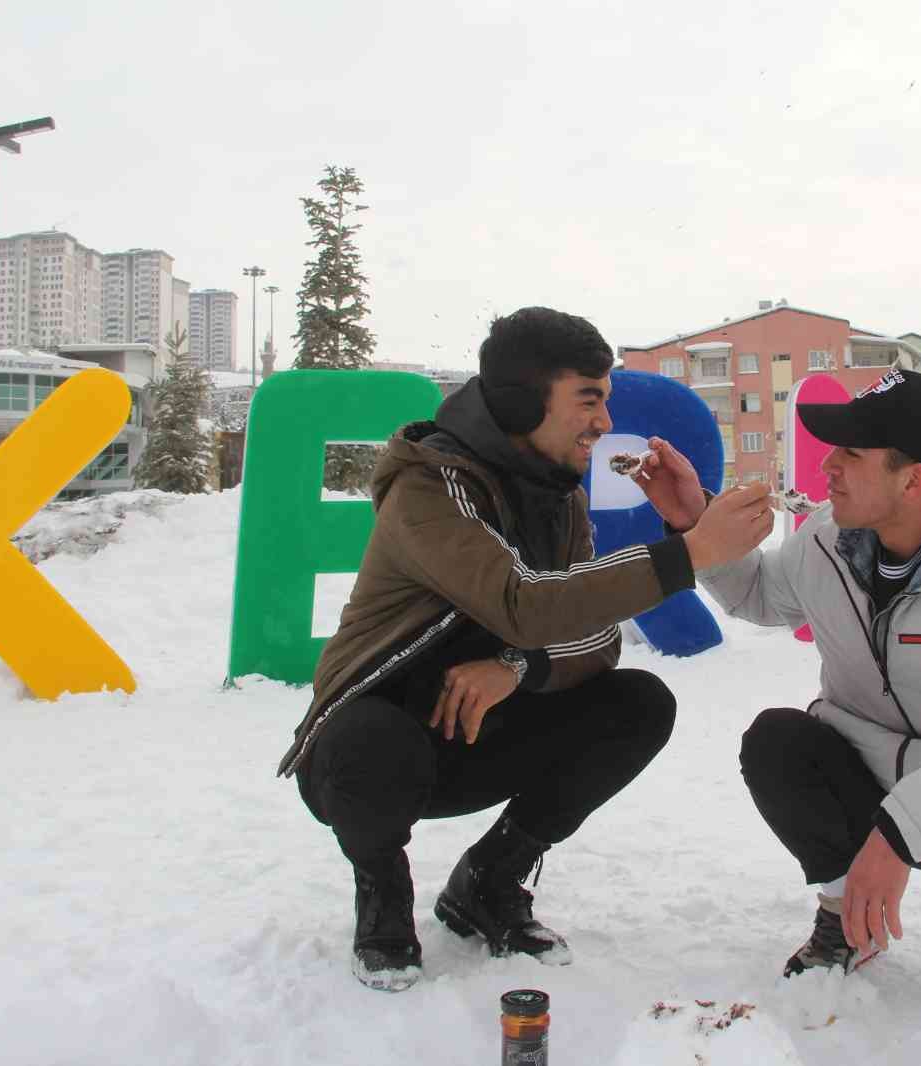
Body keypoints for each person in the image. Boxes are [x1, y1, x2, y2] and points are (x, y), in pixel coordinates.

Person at [277, 307, 773, 992]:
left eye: (607, 398)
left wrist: (518, 666)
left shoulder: (558, 497)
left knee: (637, 703)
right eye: (588, 399)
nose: (604, 420)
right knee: (367, 740)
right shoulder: (430, 485)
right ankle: (383, 897)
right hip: (373, 752)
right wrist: (686, 554)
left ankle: (487, 882)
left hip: (477, 732)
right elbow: (522, 601)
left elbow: (595, 636)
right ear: (520, 401)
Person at [632, 367, 921, 1035]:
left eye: (852, 454)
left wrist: (903, 831)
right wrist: (692, 519)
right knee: (778, 741)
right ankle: (842, 917)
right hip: (857, 768)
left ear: (914, 481)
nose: (829, 466)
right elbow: (764, 596)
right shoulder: (827, 537)